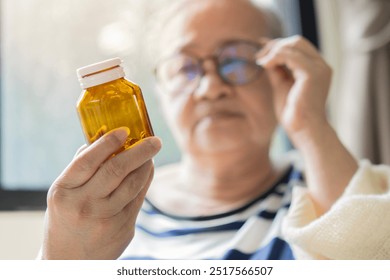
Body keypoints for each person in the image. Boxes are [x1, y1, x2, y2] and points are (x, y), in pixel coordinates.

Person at [40, 0, 390, 260]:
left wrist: (311, 125)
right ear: (159, 93)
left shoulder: (328, 187)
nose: (211, 88)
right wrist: (62, 256)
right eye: (186, 68)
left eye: (237, 59)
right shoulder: (106, 212)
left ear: (281, 72)